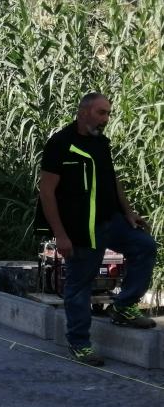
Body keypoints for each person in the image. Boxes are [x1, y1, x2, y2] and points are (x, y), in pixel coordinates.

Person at [37, 92, 158, 366]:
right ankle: (79, 344)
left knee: (145, 246)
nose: (106, 119)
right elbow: (46, 192)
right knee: (80, 283)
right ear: (83, 113)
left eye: (108, 113)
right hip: (80, 229)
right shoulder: (60, 144)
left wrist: (128, 213)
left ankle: (124, 306)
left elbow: (113, 180)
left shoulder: (101, 143)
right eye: (101, 113)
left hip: (109, 221)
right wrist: (61, 234)